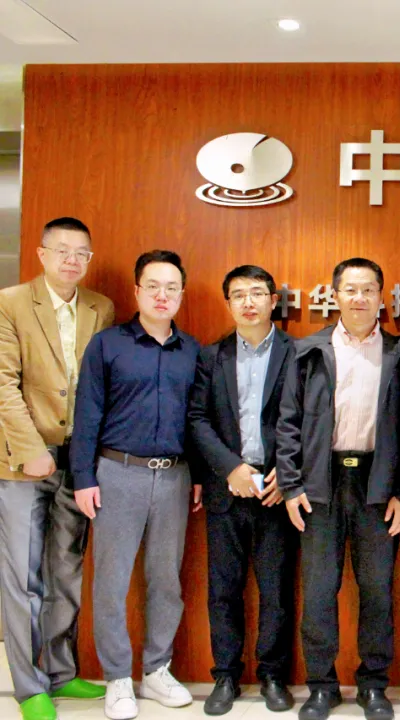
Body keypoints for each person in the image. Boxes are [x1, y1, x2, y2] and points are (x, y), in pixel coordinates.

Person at [276, 257, 400, 720]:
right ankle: (321, 686)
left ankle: (373, 685)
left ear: (381, 297)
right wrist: (291, 484)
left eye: (368, 289)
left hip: (378, 483)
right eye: (350, 289)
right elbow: (288, 423)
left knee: (376, 590)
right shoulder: (308, 351)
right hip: (321, 482)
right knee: (319, 591)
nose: (359, 298)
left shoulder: (399, 352)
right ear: (334, 295)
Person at [71, 249, 202, 720]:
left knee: (166, 580)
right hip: (117, 474)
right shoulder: (108, 345)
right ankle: (117, 678)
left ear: (181, 294)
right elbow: (87, 414)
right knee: (111, 581)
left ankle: (157, 669)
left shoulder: (193, 351)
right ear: (137, 291)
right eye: (153, 286)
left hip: (174, 477)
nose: (162, 295)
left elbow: (198, 419)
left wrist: (197, 476)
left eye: (171, 287)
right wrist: (83, 477)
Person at [0, 217, 114, 720]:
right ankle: (29, 687)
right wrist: (31, 448)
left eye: (81, 252)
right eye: (62, 250)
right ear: (41, 254)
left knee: (66, 572)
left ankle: (63, 672)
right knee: (22, 578)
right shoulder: (10, 302)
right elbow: (3, 384)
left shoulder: (100, 307)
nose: (72, 259)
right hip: (23, 462)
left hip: (78, 461)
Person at [188, 265, 295, 715]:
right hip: (226, 489)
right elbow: (197, 418)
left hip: (276, 490)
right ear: (228, 303)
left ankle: (272, 674)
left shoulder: (298, 352)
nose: (248, 302)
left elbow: (309, 419)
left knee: (276, 589)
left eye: (257, 293)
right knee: (224, 589)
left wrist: (286, 474)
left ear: (273, 300)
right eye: (238, 294)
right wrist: (230, 467)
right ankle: (226, 675)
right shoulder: (211, 356)